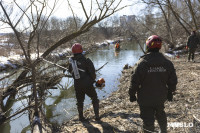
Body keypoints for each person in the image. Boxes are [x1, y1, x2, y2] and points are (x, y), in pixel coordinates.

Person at [129, 35, 177, 133]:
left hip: (145, 98)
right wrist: (170, 92)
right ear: (159, 47)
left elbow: (134, 81)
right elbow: (173, 81)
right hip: (161, 97)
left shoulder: (142, 63)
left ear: (148, 46)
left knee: (148, 120)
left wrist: (132, 94)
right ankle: (163, 131)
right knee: (161, 114)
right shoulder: (167, 63)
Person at [68, 43, 100, 121]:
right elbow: (93, 73)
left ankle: (81, 117)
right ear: (81, 50)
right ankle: (97, 117)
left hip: (77, 85)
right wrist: (93, 81)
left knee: (80, 101)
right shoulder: (86, 60)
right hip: (87, 84)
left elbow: (70, 71)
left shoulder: (70, 61)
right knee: (94, 98)